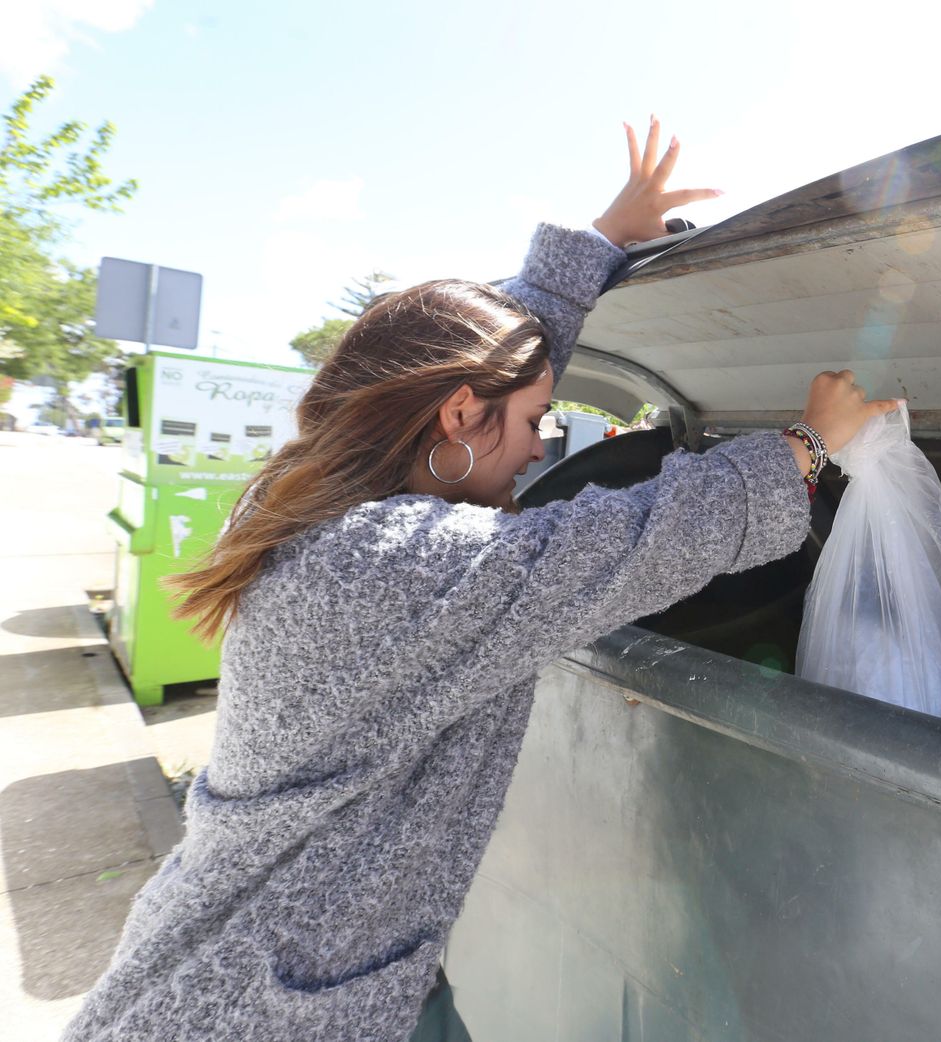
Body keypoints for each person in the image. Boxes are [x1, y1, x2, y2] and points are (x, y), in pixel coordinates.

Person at [62, 119, 898, 1042]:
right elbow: (627, 542)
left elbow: (458, 357)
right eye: (539, 417)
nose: (543, 444)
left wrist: (593, 250)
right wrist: (806, 447)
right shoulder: (385, 567)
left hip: (328, 976)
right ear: (457, 416)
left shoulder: (328, 499)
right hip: (273, 1012)